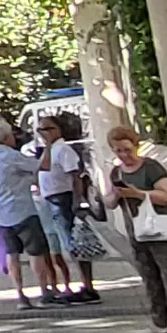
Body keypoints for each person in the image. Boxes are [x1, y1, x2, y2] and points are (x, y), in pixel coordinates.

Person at [105, 124, 167, 333]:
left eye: (127, 149)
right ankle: (159, 322)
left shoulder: (151, 167)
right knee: (150, 277)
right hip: (137, 231)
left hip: (163, 228)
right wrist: (115, 194)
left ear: (136, 146)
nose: (124, 155)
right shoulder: (116, 172)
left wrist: (139, 193)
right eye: (118, 150)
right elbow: (109, 202)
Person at [0, 121, 65, 308]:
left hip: (1, 213)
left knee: (12, 253)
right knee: (36, 252)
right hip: (23, 210)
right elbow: (44, 166)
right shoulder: (12, 156)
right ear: (6, 137)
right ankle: (44, 291)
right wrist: (48, 145)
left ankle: (20, 294)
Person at [40, 110, 100, 304]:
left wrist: (76, 200)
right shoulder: (50, 150)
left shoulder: (63, 150)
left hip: (62, 199)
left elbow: (75, 176)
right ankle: (83, 285)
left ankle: (88, 286)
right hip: (51, 199)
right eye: (41, 130)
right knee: (67, 244)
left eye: (48, 128)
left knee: (74, 243)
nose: (43, 133)